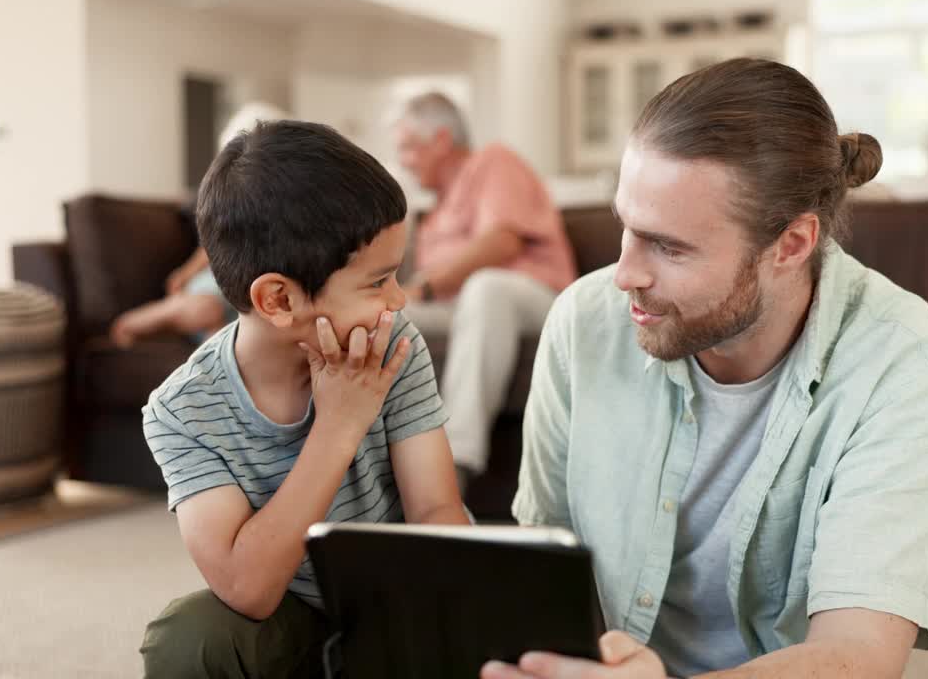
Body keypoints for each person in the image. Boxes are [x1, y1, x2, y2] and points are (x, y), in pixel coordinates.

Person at [487, 58, 928, 679]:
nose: (625, 274)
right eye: (626, 229)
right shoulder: (585, 321)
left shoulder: (906, 367)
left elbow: (859, 655)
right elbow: (543, 561)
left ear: (791, 245)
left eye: (668, 246)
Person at [138, 120, 470, 678]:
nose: (397, 301)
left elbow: (435, 509)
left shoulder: (394, 346)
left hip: (395, 608)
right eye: (376, 282)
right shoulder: (182, 412)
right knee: (188, 638)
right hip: (287, 621)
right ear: (278, 299)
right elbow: (247, 590)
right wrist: (339, 426)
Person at [393, 92, 577, 493]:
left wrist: (423, 286)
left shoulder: (493, 162)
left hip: (531, 295)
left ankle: (456, 464)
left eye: (407, 146)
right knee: (384, 320)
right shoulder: (433, 211)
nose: (403, 160)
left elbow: (503, 243)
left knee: (485, 287)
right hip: (459, 307)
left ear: (441, 139)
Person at [109, 101, 289, 348]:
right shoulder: (232, 201)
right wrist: (185, 273)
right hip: (221, 278)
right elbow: (213, 246)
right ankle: (140, 320)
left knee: (234, 335)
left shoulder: (286, 205)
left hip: (254, 295)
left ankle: (213, 356)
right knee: (207, 309)